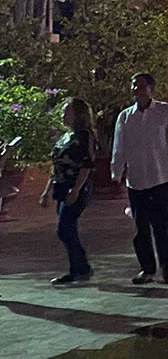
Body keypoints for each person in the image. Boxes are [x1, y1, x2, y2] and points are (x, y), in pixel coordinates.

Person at [111, 73, 168, 285]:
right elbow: (119, 148)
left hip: (160, 178)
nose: (136, 89)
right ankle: (147, 268)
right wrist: (116, 174)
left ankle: (167, 268)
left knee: (162, 227)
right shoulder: (126, 116)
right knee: (140, 228)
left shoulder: (164, 112)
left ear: (151, 88)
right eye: (133, 85)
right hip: (136, 181)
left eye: (141, 86)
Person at [40, 98, 96, 284]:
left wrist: (76, 189)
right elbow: (56, 167)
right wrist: (47, 191)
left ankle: (80, 268)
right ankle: (79, 268)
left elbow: (86, 165)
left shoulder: (84, 135)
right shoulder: (65, 137)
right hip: (61, 186)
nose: (64, 115)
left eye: (67, 112)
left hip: (75, 187)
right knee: (67, 228)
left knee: (65, 228)